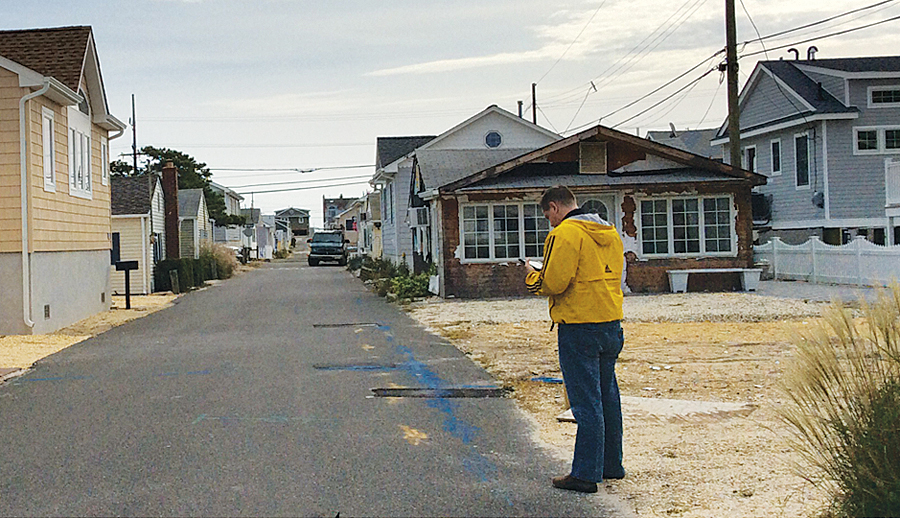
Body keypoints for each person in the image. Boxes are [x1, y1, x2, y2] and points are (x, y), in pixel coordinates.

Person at [524, 185, 625, 494]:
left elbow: (554, 282)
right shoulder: (609, 232)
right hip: (611, 321)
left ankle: (585, 473)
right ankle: (611, 464)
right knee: (607, 397)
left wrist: (531, 275)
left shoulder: (564, 234)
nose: (549, 222)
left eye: (548, 216)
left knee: (585, 401)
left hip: (579, 325)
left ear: (555, 207)